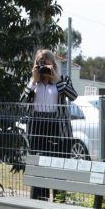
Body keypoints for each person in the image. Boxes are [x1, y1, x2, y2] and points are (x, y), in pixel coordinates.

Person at [21, 49, 77, 200]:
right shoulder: (34, 81)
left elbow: (73, 96)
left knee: (58, 168)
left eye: (47, 64)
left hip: (58, 128)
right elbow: (22, 102)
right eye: (41, 64)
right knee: (39, 168)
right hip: (37, 127)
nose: (44, 68)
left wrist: (56, 79)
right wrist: (33, 81)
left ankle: (59, 205)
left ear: (53, 64)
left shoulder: (62, 79)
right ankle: (40, 206)